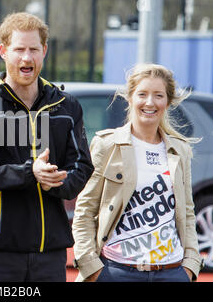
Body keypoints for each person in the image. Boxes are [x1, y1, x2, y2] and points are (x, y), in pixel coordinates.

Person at [0, 12, 94, 282]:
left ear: (44, 51)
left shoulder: (66, 107)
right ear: (3, 51)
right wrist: (30, 172)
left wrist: (55, 182)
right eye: (19, 49)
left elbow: (82, 166)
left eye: (34, 49)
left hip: (50, 256)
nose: (26, 58)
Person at [72, 63, 204, 282]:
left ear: (168, 102)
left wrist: (189, 266)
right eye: (142, 94)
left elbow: (188, 213)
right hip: (116, 271)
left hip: (171, 272)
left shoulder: (179, 150)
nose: (150, 102)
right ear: (130, 98)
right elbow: (85, 210)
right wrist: (92, 268)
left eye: (158, 95)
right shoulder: (107, 145)